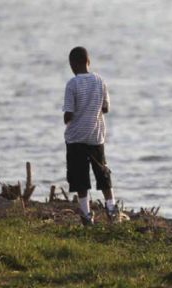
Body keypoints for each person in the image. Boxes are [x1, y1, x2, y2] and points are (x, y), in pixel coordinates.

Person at [62, 47, 118, 225]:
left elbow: (68, 114)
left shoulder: (72, 84)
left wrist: (67, 117)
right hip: (96, 137)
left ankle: (86, 214)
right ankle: (111, 209)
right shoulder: (99, 81)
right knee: (102, 173)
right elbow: (106, 108)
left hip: (76, 138)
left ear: (72, 64)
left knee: (80, 179)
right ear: (89, 61)